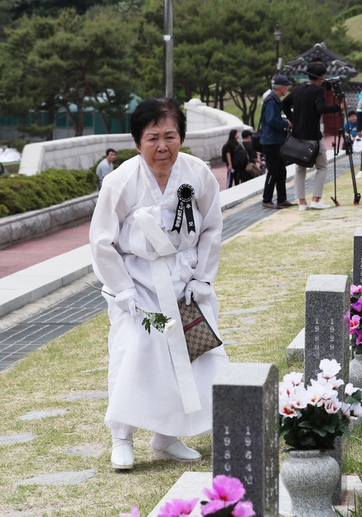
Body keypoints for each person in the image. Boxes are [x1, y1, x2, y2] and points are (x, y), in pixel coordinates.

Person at [89, 98, 228, 470]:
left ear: (181, 137)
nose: (162, 146)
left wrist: (202, 277)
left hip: (184, 283)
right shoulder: (119, 181)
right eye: (152, 138)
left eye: (170, 136)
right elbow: (102, 241)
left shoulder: (197, 173)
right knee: (135, 351)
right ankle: (121, 436)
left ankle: (166, 438)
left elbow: (212, 228)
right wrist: (123, 289)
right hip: (139, 285)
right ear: (137, 143)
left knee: (193, 355)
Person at [281, 61, 346, 210]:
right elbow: (321, 108)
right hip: (313, 136)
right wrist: (338, 106)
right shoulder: (318, 90)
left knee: (300, 168)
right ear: (321, 76)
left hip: (297, 135)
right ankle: (316, 199)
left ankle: (302, 202)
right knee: (322, 166)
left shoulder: (299, 89)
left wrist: (293, 120)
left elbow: (284, 104)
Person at [260, 74, 295, 210]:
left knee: (281, 171)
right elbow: (271, 121)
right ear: (281, 87)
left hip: (275, 140)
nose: (287, 89)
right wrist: (286, 123)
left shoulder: (273, 100)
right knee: (273, 171)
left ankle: (282, 198)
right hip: (271, 141)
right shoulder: (271, 101)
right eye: (286, 86)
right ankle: (266, 199)